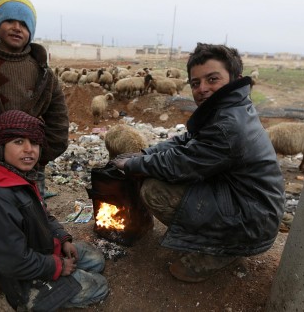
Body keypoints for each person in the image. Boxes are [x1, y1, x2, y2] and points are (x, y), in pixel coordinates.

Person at [110, 43, 285, 283]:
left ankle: (222, 250)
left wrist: (132, 165)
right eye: (195, 83)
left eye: (212, 79)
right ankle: (213, 238)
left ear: (235, 78)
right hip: (248, 204)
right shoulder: (228, 109)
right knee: (154, 170)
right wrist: (145, 154)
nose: (202, 89)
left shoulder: (228, 125)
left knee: (155, 190)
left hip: (251, 221)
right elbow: (185, 140)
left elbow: (179, 165)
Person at [0, 110, 108, 311]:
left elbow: (42, 215)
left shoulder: (18, 178)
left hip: (42, 250)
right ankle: (24, 302)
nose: (29, 149)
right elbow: (12, 260)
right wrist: (57, 266)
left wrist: (62, 238)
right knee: (99, 285)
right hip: (24, 276)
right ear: (0, 146)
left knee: (96, 260)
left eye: (34, 143)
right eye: (19, 142)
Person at [0, 0, 69, 198]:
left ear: (30, 31)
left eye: (24, 24)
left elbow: (58, 119)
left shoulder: (42, 72)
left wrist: (41, 155)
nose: (16, 27)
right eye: (9, 20)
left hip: (31, 160)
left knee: (33, 206)